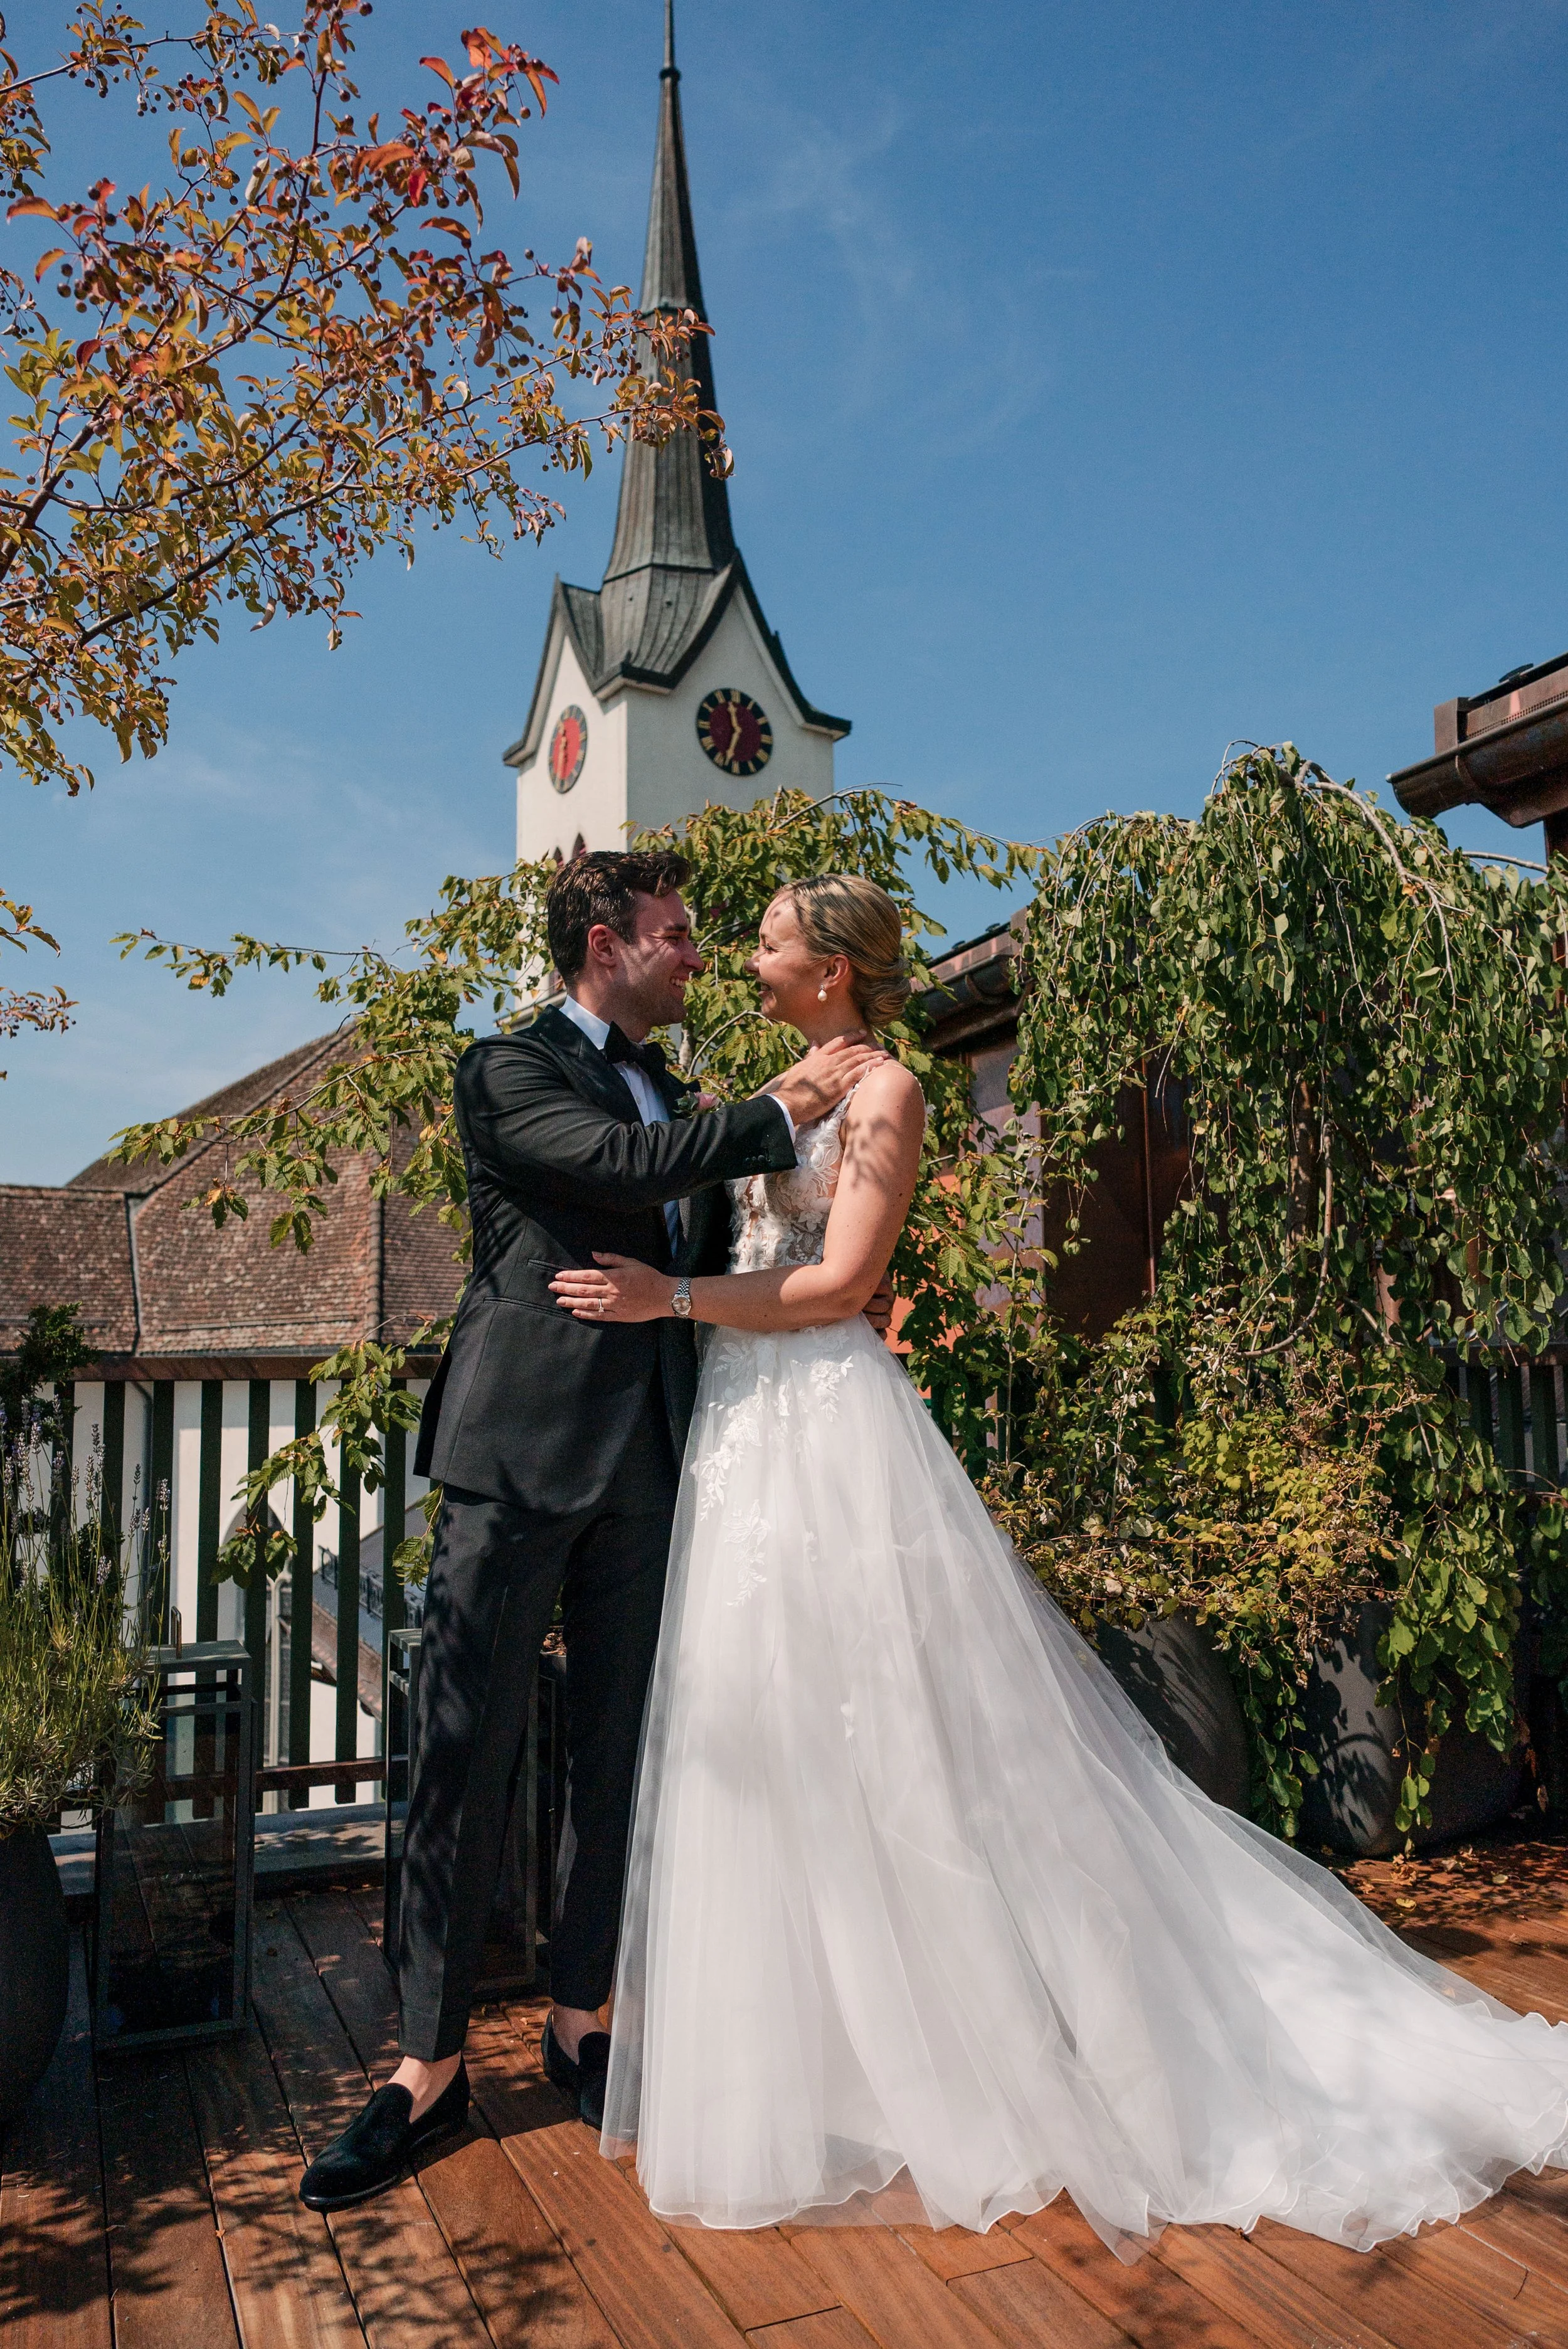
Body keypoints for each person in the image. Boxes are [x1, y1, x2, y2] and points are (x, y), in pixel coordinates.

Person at [551, 871, 1568, 2254]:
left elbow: (843, 1282)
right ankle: (822, 2055)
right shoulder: (773, 1084)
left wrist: (666, 1300)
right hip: (740, 1424)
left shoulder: (887, 1093)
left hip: (822, 1420)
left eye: (775, 934)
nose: (749, 950)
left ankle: (989, 2046)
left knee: (895, 1730)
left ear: (832, 966)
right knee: (767, 1727)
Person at [298, 849, 889, 2212]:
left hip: (658, 1464)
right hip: (515, 1460)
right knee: (464, 1750)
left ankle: (581, 2020)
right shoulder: (505, 1071)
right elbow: (621, 1169)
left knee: (616, 1756)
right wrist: (789, 1097)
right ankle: (424, 2069)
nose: (696, 955)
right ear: (604, 944)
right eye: (677, 935)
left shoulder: (680, 1091)